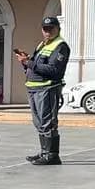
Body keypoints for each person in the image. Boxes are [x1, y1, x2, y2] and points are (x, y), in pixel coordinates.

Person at [15, 17, 70, 166]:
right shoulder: (43, 44)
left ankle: (52, 155)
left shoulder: (60, 46)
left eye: (51, 29)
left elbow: (54, 70)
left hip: (47, 88)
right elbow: (35, 66)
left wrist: (29, 62)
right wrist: (26, 62)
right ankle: (44, 151)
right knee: (39, 122)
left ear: (58, 28)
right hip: (34, 88)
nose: (47, 32)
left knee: (48, 122)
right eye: (45, 29)